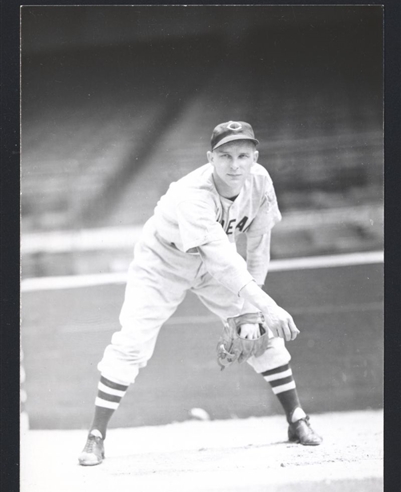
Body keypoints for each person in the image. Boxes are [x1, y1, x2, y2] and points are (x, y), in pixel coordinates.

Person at [78, 120, 322, 466]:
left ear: (255, 156)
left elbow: (257, 246)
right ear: (210, 158)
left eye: (242, 155)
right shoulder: (192, 193)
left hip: (216, 267)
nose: (234, 165)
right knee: (132, 341)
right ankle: (95, 436)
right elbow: (222, 259)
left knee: (260, 335)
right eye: (225, 156)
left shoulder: (260, 181)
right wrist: (267, 305)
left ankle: (297, 419)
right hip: (163, 261)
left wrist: (254, 313)